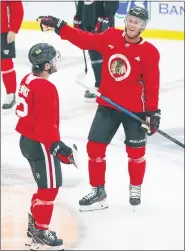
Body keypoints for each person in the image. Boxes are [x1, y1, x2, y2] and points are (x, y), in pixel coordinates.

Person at [37, 6, 161, 212]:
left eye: (137, 22)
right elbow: (85, 39)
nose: (132, 25)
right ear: (126, 20)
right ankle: (98, 191)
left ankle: (135, 186)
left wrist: (153, 113)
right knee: (94, 148)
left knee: (136, 152)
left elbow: (152, 84)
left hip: (135, 111)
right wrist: (61, 27)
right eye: (130, 20)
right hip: (108, 105)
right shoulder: (111, 37)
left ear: (143, 27)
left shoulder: (149, 52)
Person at [15, 42, 77, 250]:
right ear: (47, 66)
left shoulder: (27, 79)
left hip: (27, 141)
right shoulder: (46, 87)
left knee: (44, 188)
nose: (55, 61)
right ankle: (41, 231)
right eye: (53, 59)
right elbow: (45, 125)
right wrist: (57, 146)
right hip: (41, 144)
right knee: (49, 189)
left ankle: (35, 227)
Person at [73, 0, 119, 101]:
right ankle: (100, 84)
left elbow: (111, 8)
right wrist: (79, 18)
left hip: (101, 25)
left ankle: (109, 86)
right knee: (94, 55)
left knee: (105, 54)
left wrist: (107, 17)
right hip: (89, 24)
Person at [1, 0, 24, 109]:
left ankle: (10, 94)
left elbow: (17, 6)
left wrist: (13, 29)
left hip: (3, 31)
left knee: (6, 64)